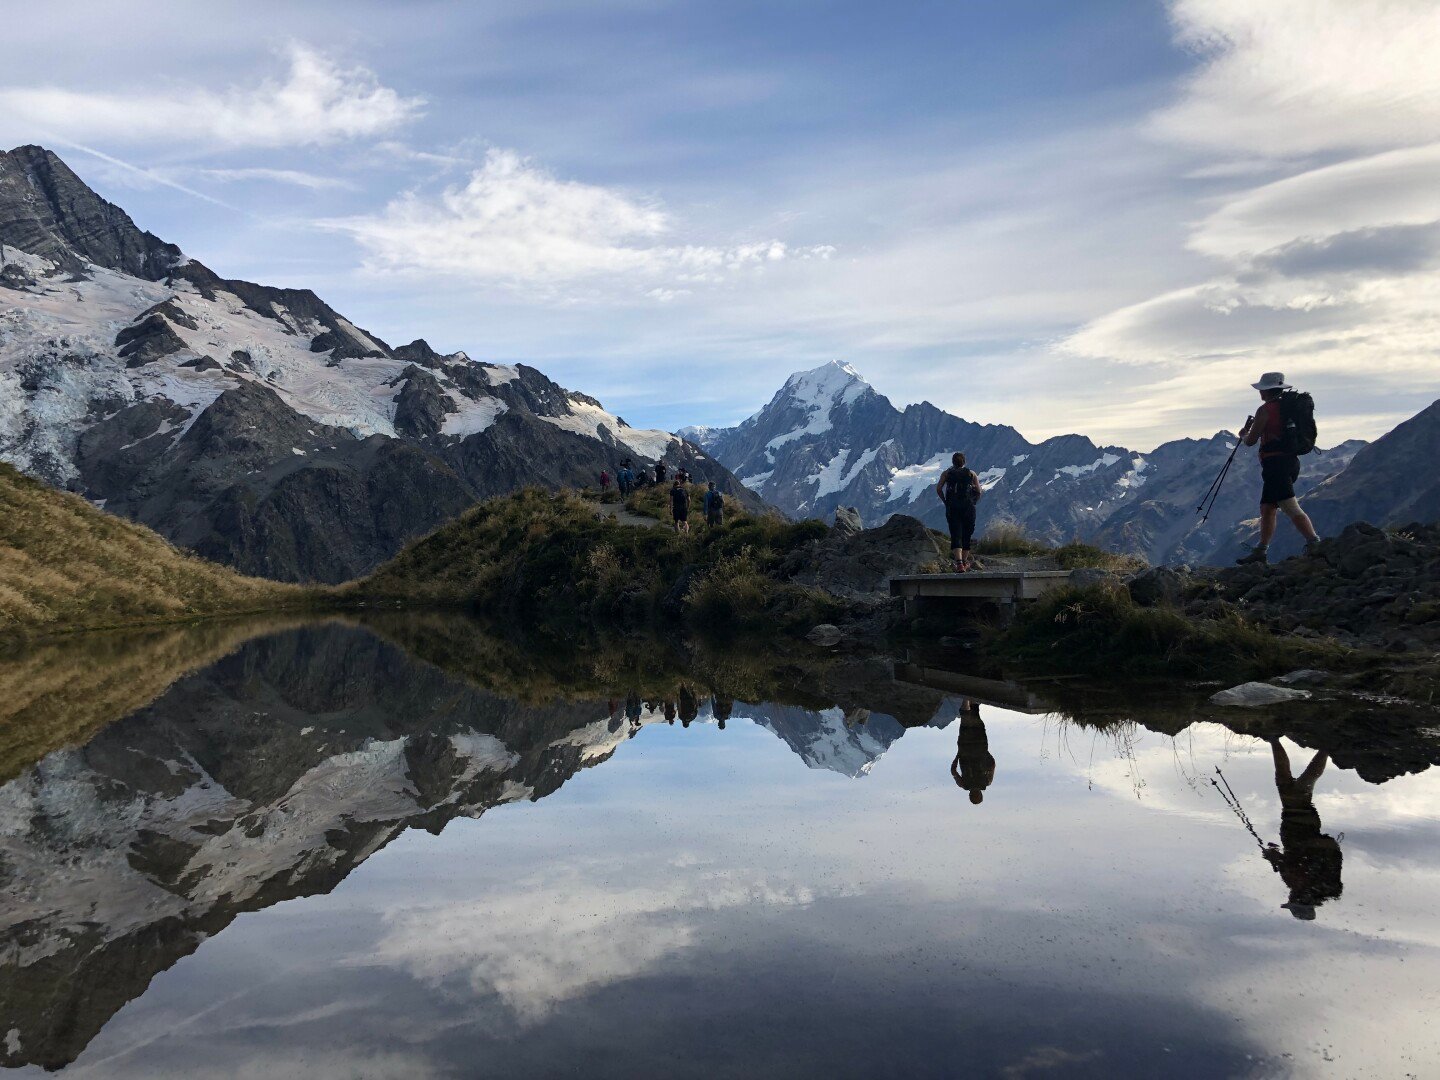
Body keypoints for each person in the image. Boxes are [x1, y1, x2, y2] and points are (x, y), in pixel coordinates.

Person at [1236, 372, 1321, 565]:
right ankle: (1261, 551)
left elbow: (1250, 441)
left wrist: (1243, 434)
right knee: (1267, 507)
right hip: (1290, 462)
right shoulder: (1288, 409)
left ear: (1266, 390)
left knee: (1289, 505)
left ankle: (1315, 542)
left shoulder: (1265, 410)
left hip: (1275, 465)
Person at [1262, 738, 1342, 920]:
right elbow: (1285, 856)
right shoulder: (1303, 881)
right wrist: (1274, 854)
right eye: (1293, 900)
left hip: (1297, 822)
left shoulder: (1308, 883)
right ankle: (1324, 747)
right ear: (1302, 899)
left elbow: (1280, 855)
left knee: (1288, 783)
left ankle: (1323, 748)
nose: (1290, 896)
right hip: (1300, 823)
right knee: (1293, 784)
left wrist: (1273, 853)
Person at [934, 452, 982, 572]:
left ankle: (959, 563)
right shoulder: (971, 474)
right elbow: (979, 491)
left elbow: (939, 489)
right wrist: (973, 501)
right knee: (967, 533)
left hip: (952, 507)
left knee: (956, 533)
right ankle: (965, 562)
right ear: (964, 462)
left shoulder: (946, 474)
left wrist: (945, 501)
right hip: (968, 507)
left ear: (953, 462)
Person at [950, 699, 994, 804]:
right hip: (965, 747)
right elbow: (953, 770)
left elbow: (992, 764)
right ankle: (966, 697)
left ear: (980, 794)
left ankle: (971, 695)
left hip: (980, 745)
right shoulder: (964, 784)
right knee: (965, 721)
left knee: (976, 715)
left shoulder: (987, 782)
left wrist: (986, 752)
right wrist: (958, 755)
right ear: (970, 795)